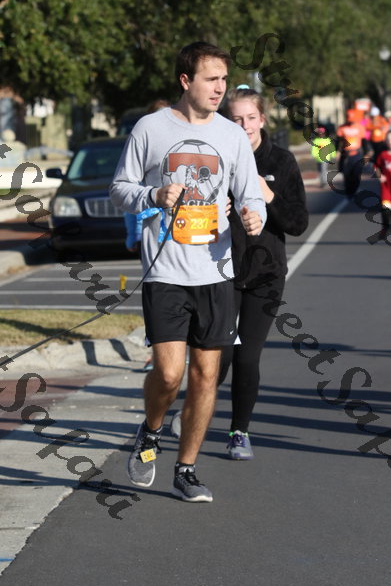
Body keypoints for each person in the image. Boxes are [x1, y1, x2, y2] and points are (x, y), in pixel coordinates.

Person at [110, 42, 266, 502]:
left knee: (205, 375)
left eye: (224, 79)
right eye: (210, 79)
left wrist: (254, 215)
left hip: (216, 272)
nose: (220, 88)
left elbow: (249, 193)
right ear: (185, 80)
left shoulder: (232, 136)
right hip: (166, 271)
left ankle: (186, 469)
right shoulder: (151, 128)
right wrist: (153, 196)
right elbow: (119, 188)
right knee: (169, 373)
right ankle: (151, 431)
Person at [217, 86, 309, 459]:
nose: (244, 126)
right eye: (236, 119)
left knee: (247, 356)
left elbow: (298, 223)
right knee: (218, 355)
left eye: (250, 118)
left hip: (266, 274)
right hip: (222, 270)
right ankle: (195, 410)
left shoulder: (281, 161)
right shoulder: (217, 157)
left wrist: (267, 195)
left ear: (262, 119)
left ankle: (239, 432)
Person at [336, 109, 371, 198]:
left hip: (357, 154)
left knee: (356, 174)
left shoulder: (360, 127)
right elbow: (338, 141)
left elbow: (364, 141)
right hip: (346, 155)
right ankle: (349, 192)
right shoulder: (342, 128)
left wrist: (366, 154)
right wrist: (337, 151)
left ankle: (354, 189)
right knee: (346, 174)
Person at [374, 130, 391, 246]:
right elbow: (376, 167)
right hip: (386, 188)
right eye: (388, 140)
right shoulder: (383, 155)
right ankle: (385, 227)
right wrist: (380, 176)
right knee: (386, 210)